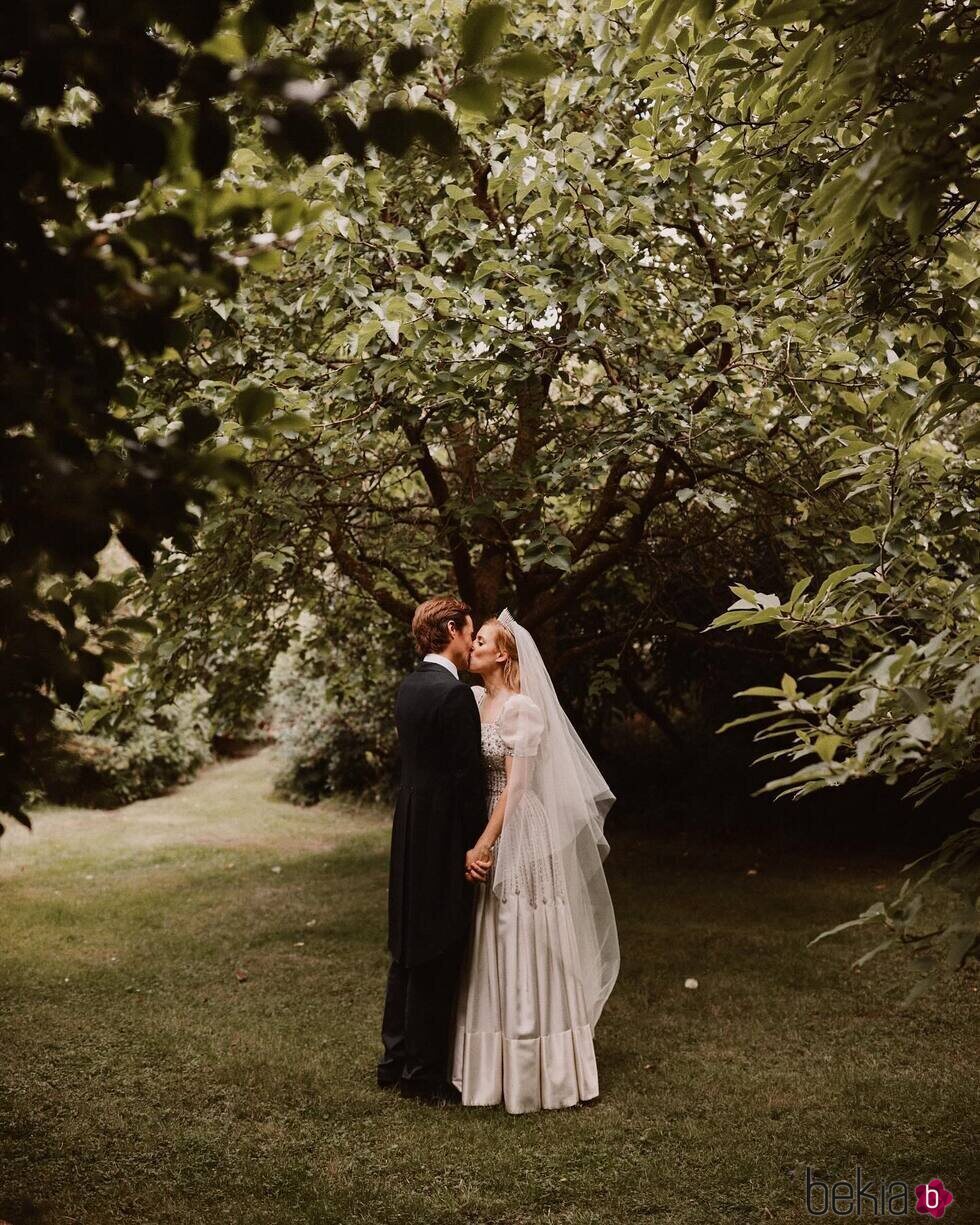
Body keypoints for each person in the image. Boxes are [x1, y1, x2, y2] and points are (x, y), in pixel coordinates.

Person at [451, 609, 619, 1113]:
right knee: (489, 935)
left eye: (480, 640)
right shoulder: (478, 699)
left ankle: (540, 1070)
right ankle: (487, 1067)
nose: (472, 646)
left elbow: (520, 786)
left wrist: (485, 844)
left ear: (502, 653)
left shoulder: (521, 709)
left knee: (521, 931)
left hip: (518, 824)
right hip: (488, 816)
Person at [378, 596, 487, 1103]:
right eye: (468, 631)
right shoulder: (454, 695)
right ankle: (423, 1076)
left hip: (410, 824)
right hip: (443, 830)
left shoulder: (409, 687)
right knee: (437, 944)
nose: (471, 642)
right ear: (451, 629)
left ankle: (394, 1059)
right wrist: (476, 843)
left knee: (406, 941)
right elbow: (468, 781)